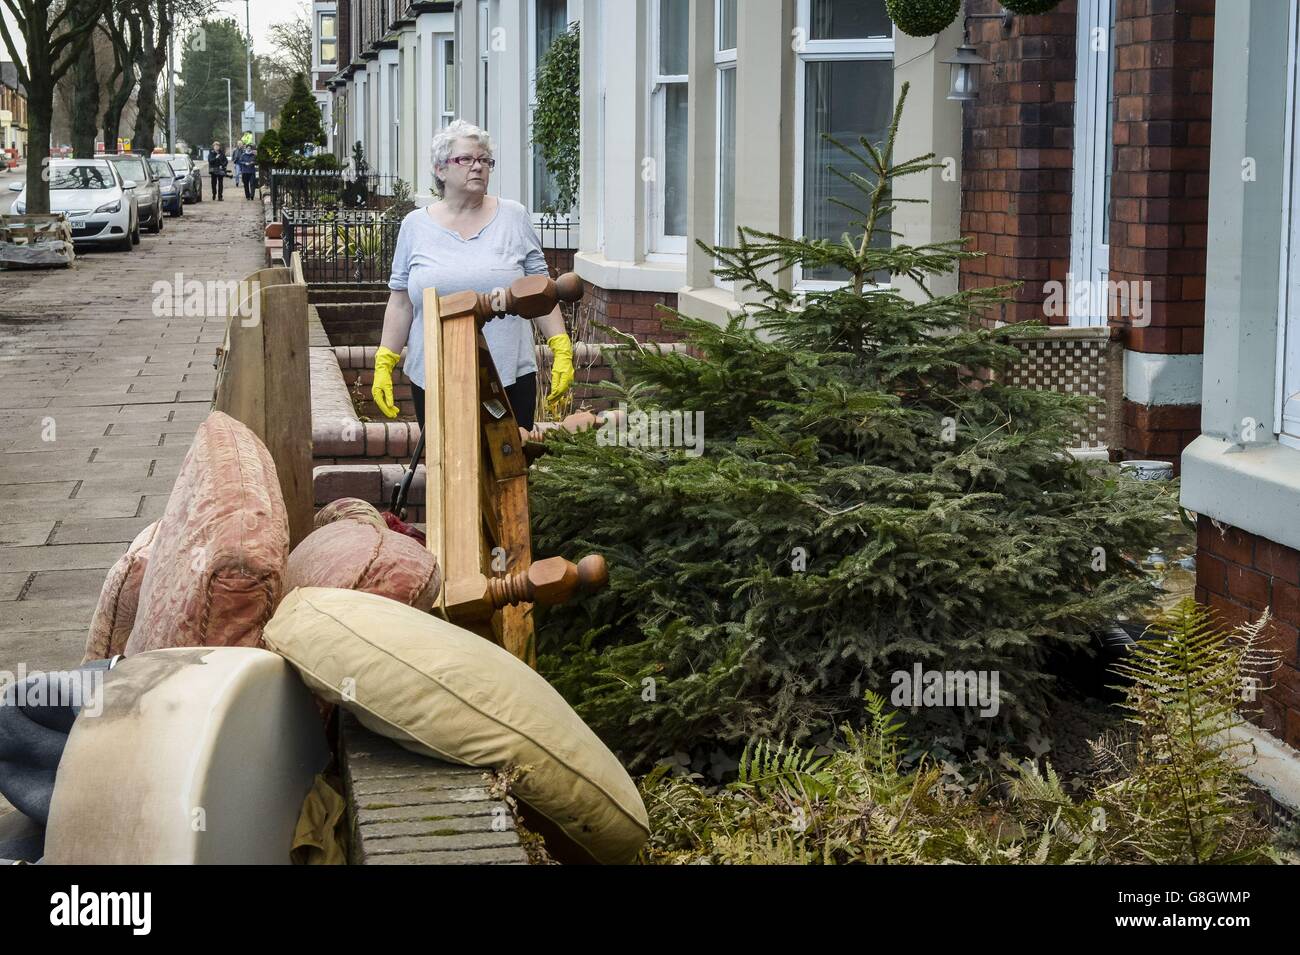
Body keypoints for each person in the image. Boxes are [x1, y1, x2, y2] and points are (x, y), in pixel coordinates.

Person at [372, 119, 574, 434]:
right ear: (440, 170)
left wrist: (560, 346)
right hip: (436, 375)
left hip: (509, 374)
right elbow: (401, 302)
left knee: (508, 472)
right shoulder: (414, 226)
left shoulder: (514, 217)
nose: (477, 167)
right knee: (446, 470)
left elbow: (541, 292)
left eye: (484, 160)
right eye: (466, 159)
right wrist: (385, 359)